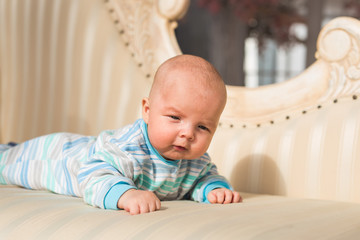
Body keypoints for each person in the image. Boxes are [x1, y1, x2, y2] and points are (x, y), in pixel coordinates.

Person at [0, 54, 242, 215]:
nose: (188, 134)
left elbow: (204, 178)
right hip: (63, 156)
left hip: (78, 152)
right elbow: (93, 174)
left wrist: (214, 189)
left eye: (203, 127)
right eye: (175, 118)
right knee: (9, 164)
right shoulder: (130, 148)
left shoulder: (195, 161)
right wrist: (126, 194)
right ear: (147, 111)